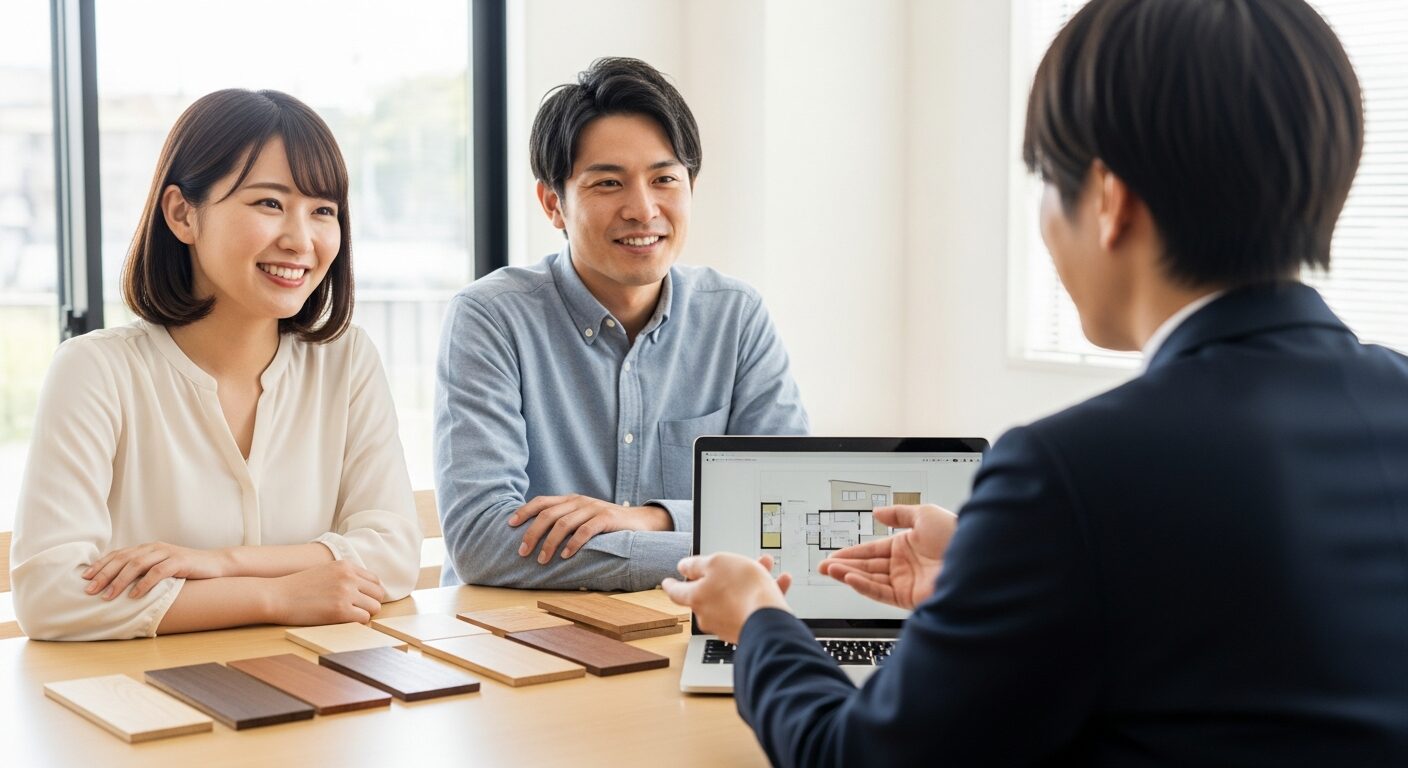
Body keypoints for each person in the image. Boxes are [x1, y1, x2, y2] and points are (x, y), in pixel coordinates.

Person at [663, 0, 1408, 764]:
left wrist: (756, 619)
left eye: (1047, 181)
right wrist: (993, 569)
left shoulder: (1070, 475)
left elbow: (857, 756)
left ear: (1109, 202)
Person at [11, 89, 421, 641]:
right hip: (146, 699)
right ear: (183, 214)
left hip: (321, 686)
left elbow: (393, 552)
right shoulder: (95, 370)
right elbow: (49, 595)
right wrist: (274, 595)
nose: (301, 240)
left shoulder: (346, 360)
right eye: (269, 203)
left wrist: (223, 563)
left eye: (322, 211)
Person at [434, 57, 808, 591]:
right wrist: (712, 550)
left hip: (685, 629)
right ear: (552, 204)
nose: (642, 208)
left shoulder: (735, 315)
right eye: (608, 183)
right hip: (521, 637)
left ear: (690, 187)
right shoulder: (492, 317)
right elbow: (483, 543)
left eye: (664, 179)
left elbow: (792, 517)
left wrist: (650, 517)